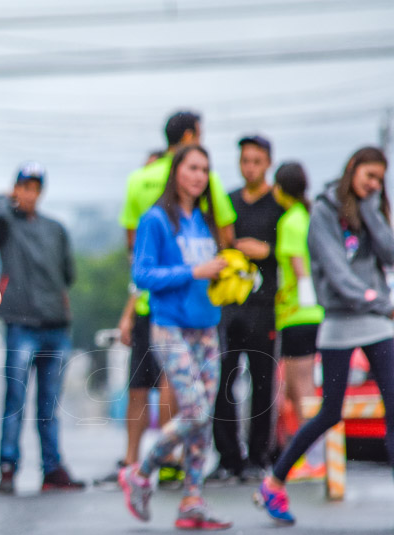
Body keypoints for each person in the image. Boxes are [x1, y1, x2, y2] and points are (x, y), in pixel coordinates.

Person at [256, 147, 393, 526]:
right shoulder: (322, 213)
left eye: (380, 179)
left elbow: (390, 253)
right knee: (329, 411)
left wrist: (370, 209)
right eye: (369, 176)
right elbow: (337, 274)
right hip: (339, 324)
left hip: (378, 325)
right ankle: (275, 481)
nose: (374, 184)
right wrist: (380, 302)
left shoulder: (372, 208)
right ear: (352, 170)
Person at [114, 112, 237, 488]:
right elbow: (142, 274)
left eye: (205, 169)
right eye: (192, 168)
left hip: (207, 327)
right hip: (170, 327)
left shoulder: (204, 221)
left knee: (204, 419)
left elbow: (214, 267)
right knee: (195, 411)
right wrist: (194, 272)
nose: (199, 176)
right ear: (176, 171)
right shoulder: (156, 220)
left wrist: (232, 273)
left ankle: (192, 499)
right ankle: (143, 470)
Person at [0, 162, 83, 494]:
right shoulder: (7, 225)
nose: (29, 193)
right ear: (16, 190)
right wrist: (4, 199)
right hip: (21, 324)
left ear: (41, 192)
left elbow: (68, 274)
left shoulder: (56, 228)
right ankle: (7, 467)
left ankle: (52, 468)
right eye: (23, 187)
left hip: (56, 325)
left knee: (49, 403)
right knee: (14, 400)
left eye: (33, 188)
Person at [210, 135, 286, 484]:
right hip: (229, 304)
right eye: (244, 161)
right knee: (223, 381)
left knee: (263, 381)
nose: (249, 167)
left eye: (256, 161)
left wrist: (266, 251)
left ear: (267, 162)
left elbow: (297, 249)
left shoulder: (280, 204)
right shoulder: (228, 202)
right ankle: (227, 457)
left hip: (265, 305)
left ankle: (259, 456)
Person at [271, 162, 323, 475]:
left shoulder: (291, 221)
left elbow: (299, 265)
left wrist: (302, 294)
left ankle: (315, 459)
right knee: (293, 388)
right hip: (302, 315)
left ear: (280, 189)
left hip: (298, 314)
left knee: (303, 389)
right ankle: (305, 454)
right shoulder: (307, 216)